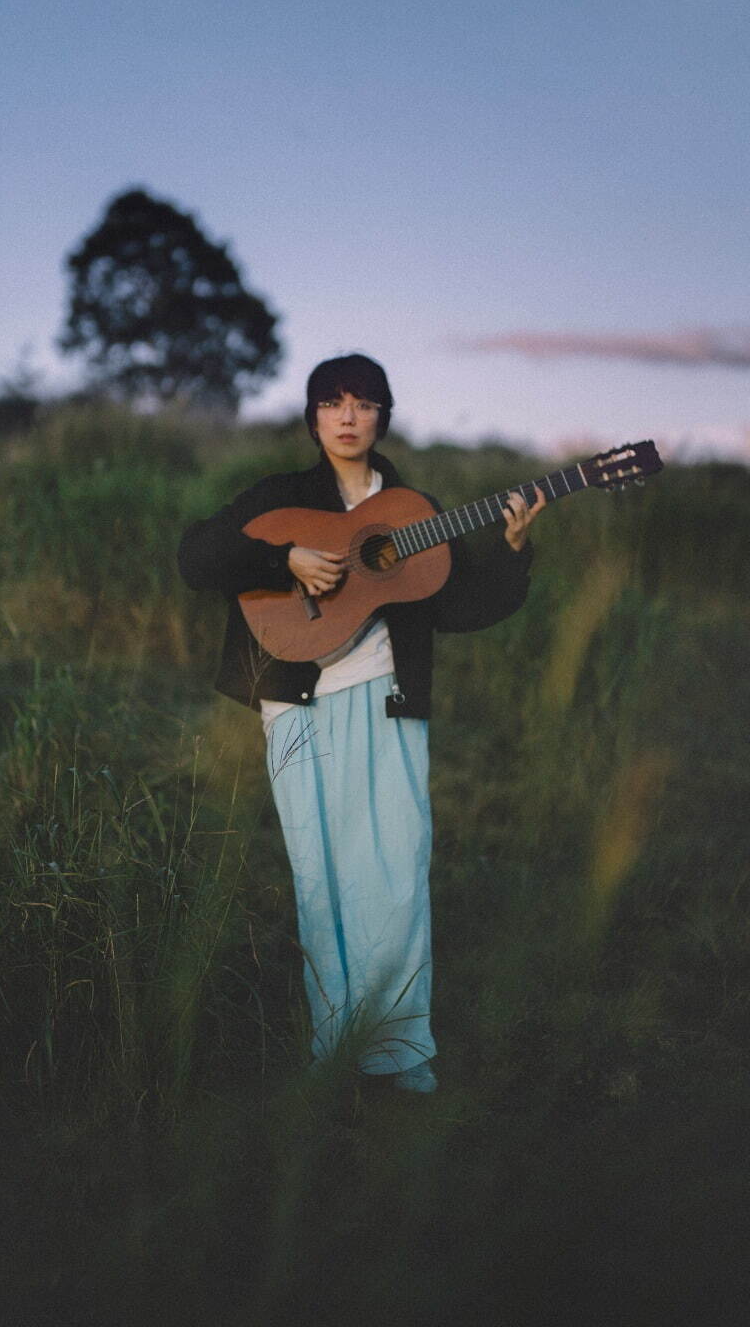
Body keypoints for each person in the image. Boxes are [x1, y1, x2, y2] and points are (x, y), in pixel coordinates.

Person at [177, 354, 543, 1092]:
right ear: (313, 418)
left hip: (388, 698)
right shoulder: (282, 497)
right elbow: (198, 553)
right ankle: (336, 1047)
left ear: (384, 415)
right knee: (322, 877)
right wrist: (283, 558)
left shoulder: (413, 507)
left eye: (364, 403)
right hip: (296, 703)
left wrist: (511, 551)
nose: (348, 417)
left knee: (397, 872)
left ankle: (399, 1053)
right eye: (332, 403)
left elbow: (456, 606)